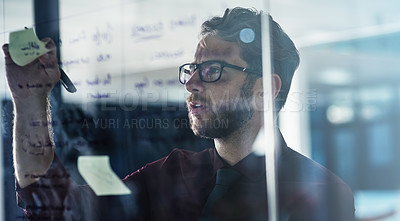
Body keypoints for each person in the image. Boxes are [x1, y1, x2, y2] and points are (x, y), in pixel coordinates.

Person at [3, 7, 355, 221]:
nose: (191, 85)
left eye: (213, 71)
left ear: (266, 88)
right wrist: (30, 99)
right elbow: (52, 206)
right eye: (192, 70)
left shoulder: (323, 193)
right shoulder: (169, 177)